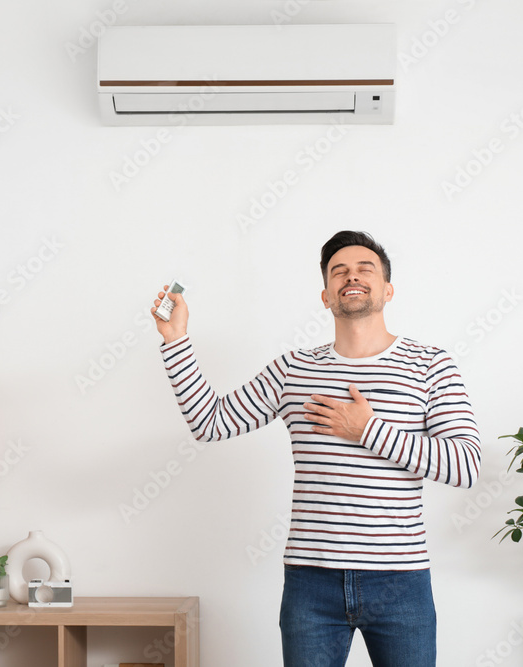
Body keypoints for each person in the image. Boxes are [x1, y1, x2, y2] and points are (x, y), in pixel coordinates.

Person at [151, 230, 481, 667]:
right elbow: (209, 423)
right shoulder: (294, 369)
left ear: (388, 289)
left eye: (366, 269)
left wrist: (368, 429)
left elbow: (465, 465)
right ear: (326, 295)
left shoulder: (430, 365)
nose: (352, 276)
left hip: (401, 582)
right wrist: (176, 340)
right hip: (310, 584)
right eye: (338, 271)